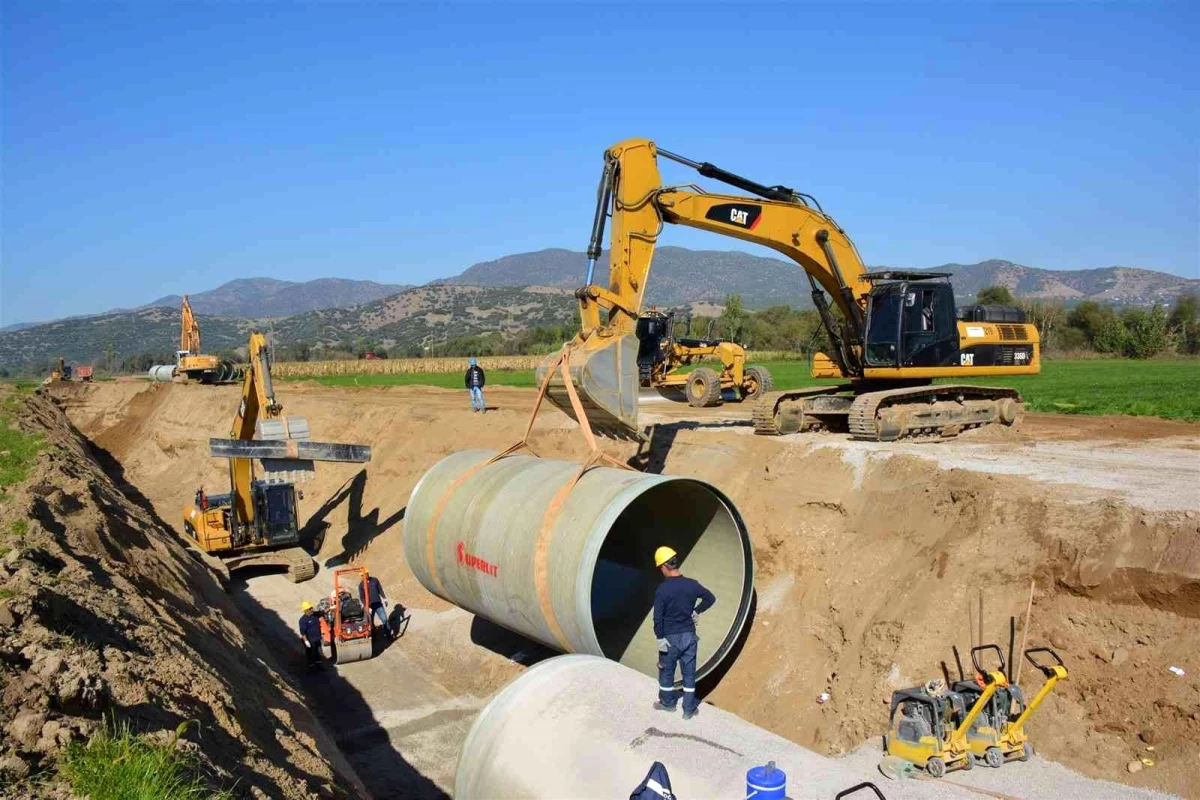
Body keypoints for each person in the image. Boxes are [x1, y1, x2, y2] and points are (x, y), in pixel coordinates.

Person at [651, 546, 715, 720]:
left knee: (666, 672)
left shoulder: (663, 590)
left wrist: (659, 637)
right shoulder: (692, 584)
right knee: (689, 673)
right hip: (689, 636)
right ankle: (688, 709)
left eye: (660, 568)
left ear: (664, 566)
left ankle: (667, 703)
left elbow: (658, 618)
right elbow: (710, 598)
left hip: (670, 638)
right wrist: (696, 611)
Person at [358, 572, 394, 640]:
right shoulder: (361, 585)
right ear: (361, 576)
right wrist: (367, 606)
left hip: (378, 604)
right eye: (363, 575)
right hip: (369, 606)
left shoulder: (374, 580)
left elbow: (380, 589)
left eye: (366, 573)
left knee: (385, 619)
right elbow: (362, 597)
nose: (366, 575)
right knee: (370, 622)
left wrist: (384, 598)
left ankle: (388, 635)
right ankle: (374, 637)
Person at [298, 600, 323, 670]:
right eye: (310, 608)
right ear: (306, 610)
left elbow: (322, 612)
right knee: (311, 654)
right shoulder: (303, 620)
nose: (312, 609)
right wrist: (306, 641)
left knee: (319, 653)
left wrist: (331, 608)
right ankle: (311, 667)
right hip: (310, 640)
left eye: (311, 607)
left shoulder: (315, 615)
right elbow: (303, 633)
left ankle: (319, 665)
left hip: (317, 639)